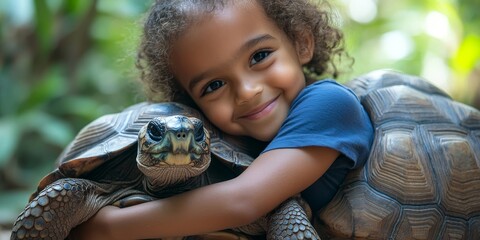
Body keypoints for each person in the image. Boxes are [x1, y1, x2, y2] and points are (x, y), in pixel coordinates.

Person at [72, 0, 374, 239]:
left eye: (260, 56)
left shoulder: (330, 105)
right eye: (213, 86)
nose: (246, 92)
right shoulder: (235, 139)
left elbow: (244, 201)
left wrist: (110, 227)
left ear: (301, 42)